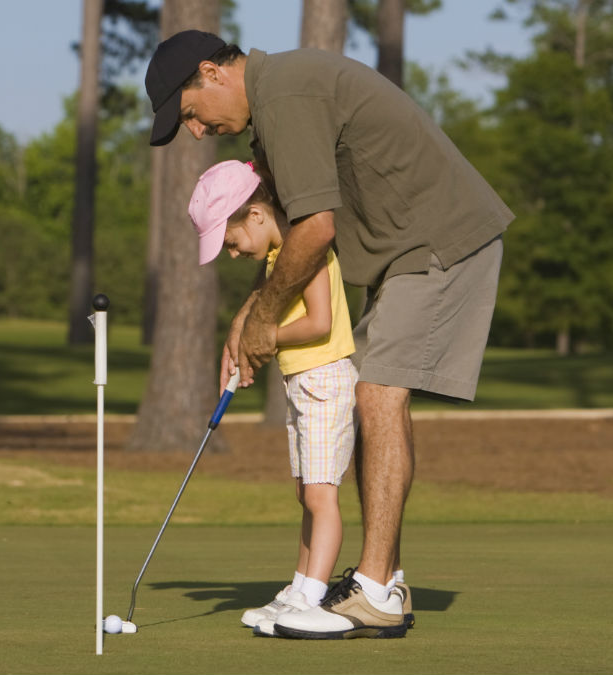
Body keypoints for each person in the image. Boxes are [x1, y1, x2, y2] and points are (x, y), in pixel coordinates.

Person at [144, 30, 512, 639]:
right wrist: (246, 318)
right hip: (404, 253)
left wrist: (264, 319)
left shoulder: (286, 93)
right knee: (369, 396)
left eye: (189, 114)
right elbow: (291, 233)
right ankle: (378, 577)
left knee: (378, 393)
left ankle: (375, 592)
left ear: (210, 73)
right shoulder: (273, 110)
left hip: (441, 240)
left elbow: (314, 230)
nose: (196, 131)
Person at [188, 159, 359, 636]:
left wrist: (264, 337)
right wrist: (248, 339)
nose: (232, 254)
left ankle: (313, 596)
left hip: (325, 378)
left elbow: (320, 322)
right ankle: (300, 585)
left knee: (322, 497)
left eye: (231, 240)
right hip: (302, 382)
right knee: (306, 494)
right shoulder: (274, 260)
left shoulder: (308, 252)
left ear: (257, 216)